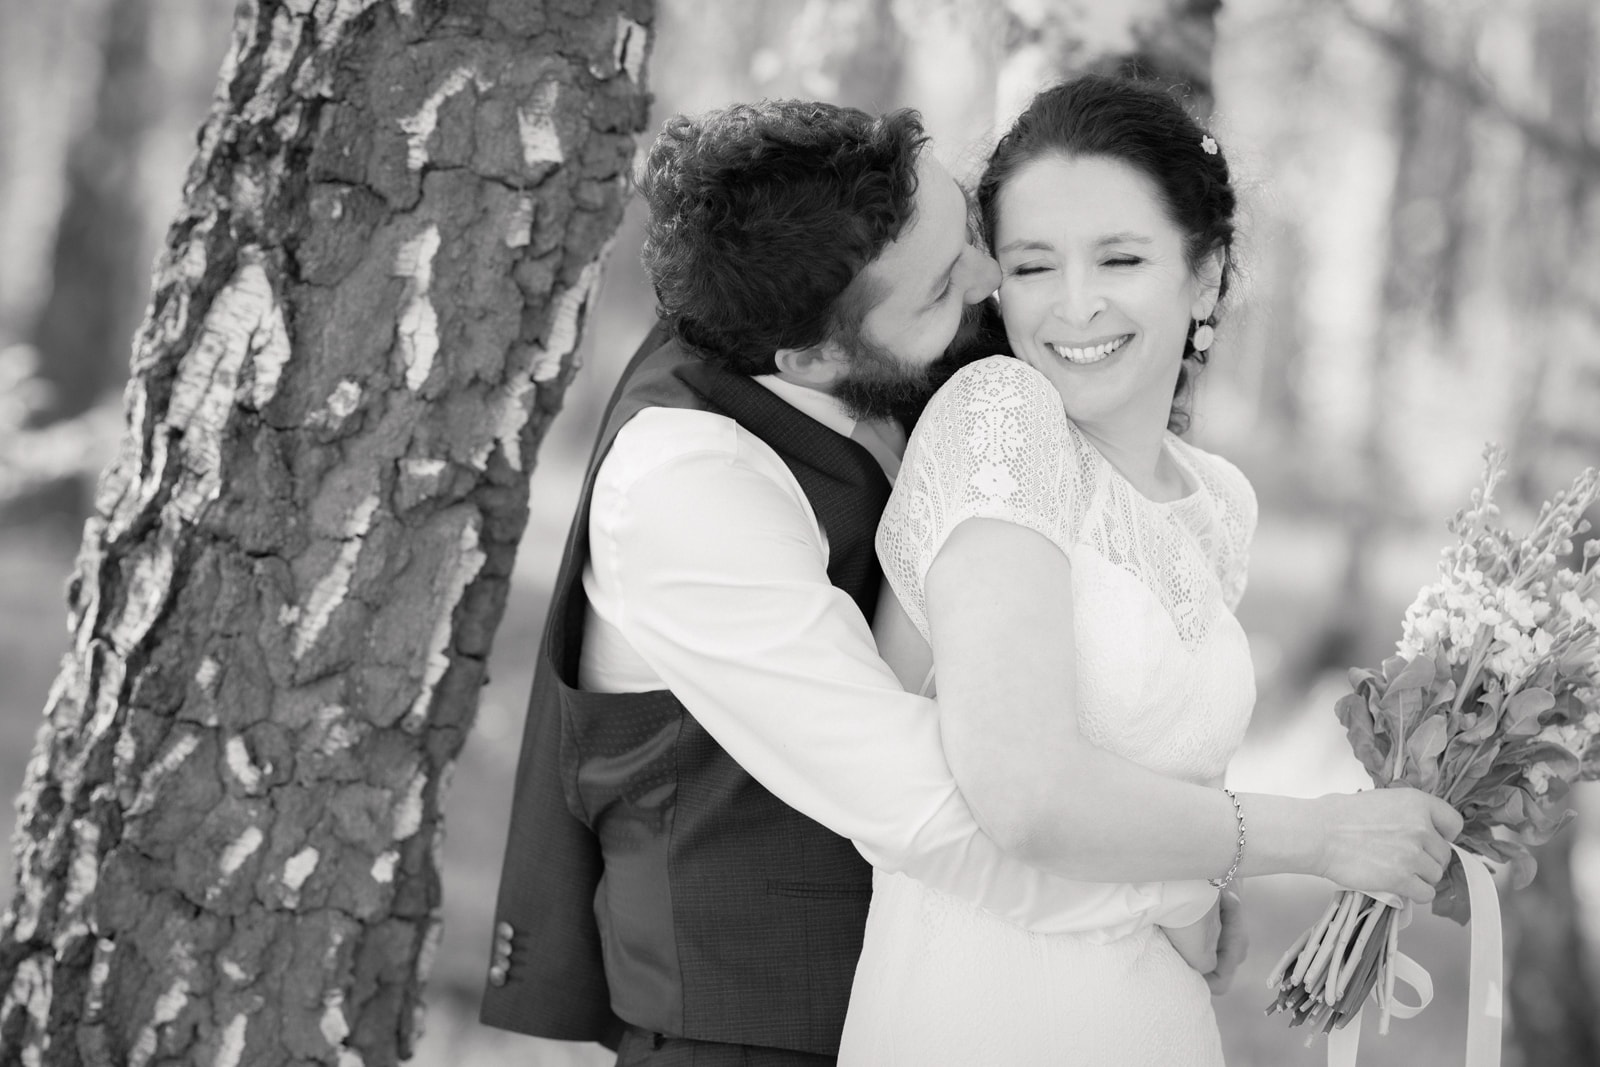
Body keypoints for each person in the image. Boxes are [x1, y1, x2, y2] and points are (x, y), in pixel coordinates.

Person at [480, 99, 1241, 1067]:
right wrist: (1175, 881)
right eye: (936, 290)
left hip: (964, 995)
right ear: (810, 356)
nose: (986, 276)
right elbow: (929, 797)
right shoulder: (685, 484)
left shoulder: (872, 313)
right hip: (754, 1032)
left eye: (965, 223)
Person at [837, 75, 1465, 1065]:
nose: (1074, 303)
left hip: (1151, 1018)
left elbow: (1172, 787)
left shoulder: (1217, 502)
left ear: (1204, 274)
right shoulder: (997, 417)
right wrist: (1323, 836)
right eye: (1035, 265)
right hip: (984, 1011)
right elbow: (1023, 791)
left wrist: (1200, 887)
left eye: (1120, 258)